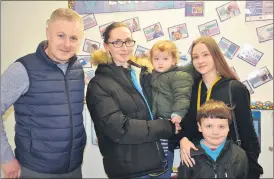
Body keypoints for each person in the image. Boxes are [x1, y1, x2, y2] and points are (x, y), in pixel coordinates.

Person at [86, 22, 181, 179]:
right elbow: (120, 128)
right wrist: (166, 127)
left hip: (161, 162)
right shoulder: (99, 83)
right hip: (130, 170)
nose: (125, 47)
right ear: (106, 46)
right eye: (117, 42)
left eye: (128, 41)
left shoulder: (143, 74)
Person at [1, 8, 86, 178]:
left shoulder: (77, 69)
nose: (67, 44)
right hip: (36, 169)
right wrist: (5, 158)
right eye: (61, 35)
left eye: (73, 38)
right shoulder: (22, 69)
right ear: (48, 33)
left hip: (73, 168)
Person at [178, 36, 263, 179]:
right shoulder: (191, 89)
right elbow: (186, 126)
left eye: (206, 55)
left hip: (232, 164)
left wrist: (252, 170)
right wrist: (182, 139)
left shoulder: (235, 88)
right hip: (200, 166)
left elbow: (248, 134)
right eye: (195, 57)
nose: (200, 61)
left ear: (216, 55)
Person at [148, 40, 194, 177]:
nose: (160, 62)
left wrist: (178, 113)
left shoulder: (179, 76)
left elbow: (182, 96)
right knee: (155, 152)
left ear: (174, 60)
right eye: (156, 59)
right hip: (156, 120)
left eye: (165, 58)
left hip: (170, 119)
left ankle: (163, 171)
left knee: (165, 153)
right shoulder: (154, 76)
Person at [178, 99, 248, 178]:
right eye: (209, 126)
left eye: (221, 126)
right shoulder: (189, 154)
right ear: (199, 127)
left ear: (228, 127)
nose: (215, 132)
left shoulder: (239, 155)